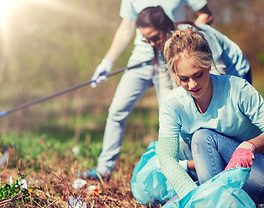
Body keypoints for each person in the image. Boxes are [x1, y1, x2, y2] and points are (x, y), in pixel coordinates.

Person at [157, 28, 264, 208]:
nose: (192, 84)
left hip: (262, 175)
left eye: (198, 75)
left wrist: (249, 146)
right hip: (218, 180)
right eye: (184, 79)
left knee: (202, 137)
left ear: (208, 64)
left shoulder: (237, 88)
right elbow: (167, 158)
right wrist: (194, 197)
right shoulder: (172, 105)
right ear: (174, 75)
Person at [79, 1, 213, 180]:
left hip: (171, 60)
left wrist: (187, 44)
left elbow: (206, 14)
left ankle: (181, 169)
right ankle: (104, 170)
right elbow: (126, 28)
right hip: (139, 61)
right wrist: (107, 61)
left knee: (171, 117)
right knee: (116, 110)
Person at [135, 6, 252, 102]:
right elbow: (164, 81)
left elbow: (218, 70)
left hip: (235, 71)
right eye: (147, 40)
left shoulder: (196, 36)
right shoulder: (159, 47)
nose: (151, 43)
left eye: (154, 37)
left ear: (165, 27)